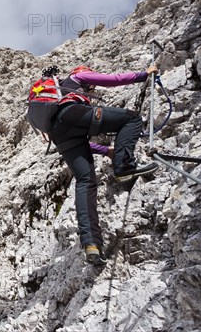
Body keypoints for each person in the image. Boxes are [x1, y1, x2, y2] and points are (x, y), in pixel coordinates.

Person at [47, 64, 159, 265]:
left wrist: (106, 150)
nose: (92, 92)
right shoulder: (78, 76)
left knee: (85, 182)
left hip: (59, 135)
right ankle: (124, 166)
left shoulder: (57, 94)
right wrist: (144, 74)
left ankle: (91, 245)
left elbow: (81, 142)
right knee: (131, 119)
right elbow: (113, 79)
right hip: (73, 114)